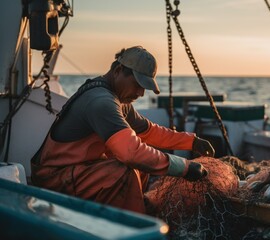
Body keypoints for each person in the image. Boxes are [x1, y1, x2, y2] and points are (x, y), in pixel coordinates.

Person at [31, 46, 215, 213]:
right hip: (55, 178)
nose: (141, 93)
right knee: (122, 172)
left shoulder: (118, 99)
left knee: (141, 167)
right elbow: (131, 153)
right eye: (137, 84)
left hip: (79, 171)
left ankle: (131, 209)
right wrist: (184, 167)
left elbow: (149, 132)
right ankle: (136, 227)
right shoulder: (101, 102)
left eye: (144, 87)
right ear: (118, 71)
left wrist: (191, 141)